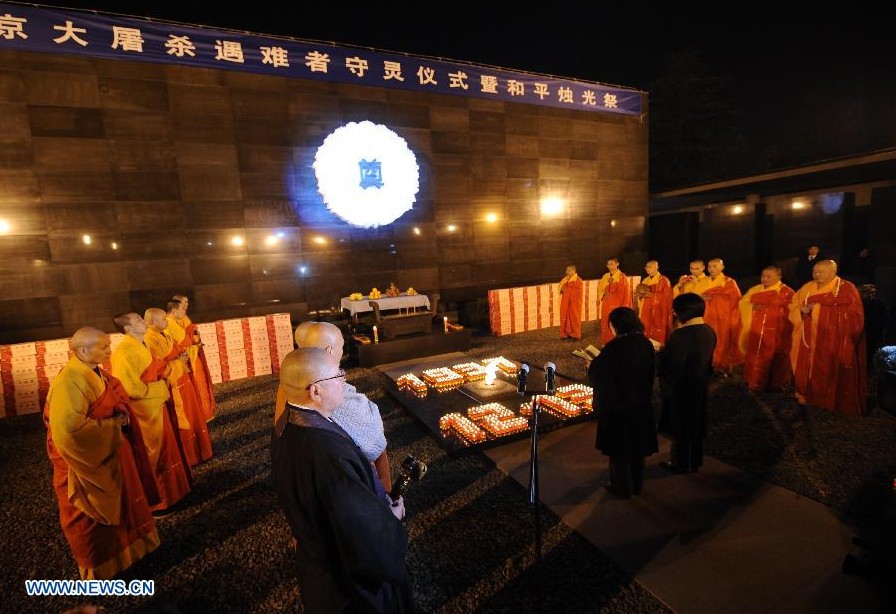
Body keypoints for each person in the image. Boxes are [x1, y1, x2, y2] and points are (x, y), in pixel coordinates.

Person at [271, 347, 413, 613]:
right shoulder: (326, 454)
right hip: (345, 585)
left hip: (315, 560)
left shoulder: (288, 424)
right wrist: (390, 520)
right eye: (337, 376)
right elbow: (360, 534)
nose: (344, 381)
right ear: (315, 391)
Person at [44, 327, 161, 579]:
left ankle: (132, 553)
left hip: (112, 453)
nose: (110, 351)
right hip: (88, 465)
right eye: (104, 347)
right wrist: (113, 426)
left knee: (126, 503)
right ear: (83, 351)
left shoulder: (93, 372)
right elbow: (68, 434)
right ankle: (105, 569)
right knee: (93, 519)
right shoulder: (70, 381)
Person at [275, 321, 392, 492]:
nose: (340, 379)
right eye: (342, 347)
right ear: (329, 350)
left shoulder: (293, 381)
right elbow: (374, 442)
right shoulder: (326, 393)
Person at [111, 312, 193, 513]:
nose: (143, 321)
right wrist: (158, 389)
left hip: (156, 406)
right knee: (151, 455)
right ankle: (158, 502)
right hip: (144, 413)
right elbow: (129, 388)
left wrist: (174, 368)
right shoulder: (123, 353)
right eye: (138, 320)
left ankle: (172, 495)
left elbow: (159, 368)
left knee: (165, 450)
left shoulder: (142, 345)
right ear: (128, 329)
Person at [588, 307, 658, 498]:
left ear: (615, 325)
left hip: (619, 406)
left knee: (619, 451)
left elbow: (600, 376)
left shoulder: (614, 347)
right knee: (637, 449)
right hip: (641, 402)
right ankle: (637, 484)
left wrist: (591, 366)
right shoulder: (645, 342)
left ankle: (621, 487)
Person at [789, 259, 867, 416]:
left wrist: (818, 309)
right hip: (809, 335)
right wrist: (801, 310)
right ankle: (807, 394)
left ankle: (829, 399)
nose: (816, 274)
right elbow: (793, 304)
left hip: (833, 338)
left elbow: (854, 315)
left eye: (821, 271)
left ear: (833, 272)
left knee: (830, 368)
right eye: (814, 271)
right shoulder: (808, 287)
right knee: (807, 365)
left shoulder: (846, 288)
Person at [144, 307, 213, 467]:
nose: (166, 322)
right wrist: (178, 361)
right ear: (152, 322)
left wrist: (183, 356)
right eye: (162, 319)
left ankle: (200, 452)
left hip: (184, 381)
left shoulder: (165, 335)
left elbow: (180, 349)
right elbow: (157, 367)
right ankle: (189, 457)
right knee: (182, 422)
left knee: (192, 416)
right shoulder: (149, 340)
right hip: (173, 386)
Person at [658, 293, 717, 474]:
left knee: (681, 424)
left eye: (675, 312)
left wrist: (660, 353)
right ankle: (695, 460)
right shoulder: (709, 330)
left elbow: (671, 365)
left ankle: (679, 462)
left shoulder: (680, 335)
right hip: (700, 384)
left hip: (682, 387)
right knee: (696, 422)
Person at [677, 258, 742, 374]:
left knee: (721, 342)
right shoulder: (703, 282)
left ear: (722, 267)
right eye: (710, 267)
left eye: (715, 266)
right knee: (705, 341)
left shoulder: (728, 282)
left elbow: (736, 299)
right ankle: (707, 365)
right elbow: (694, 297)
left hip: (722, 317)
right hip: (706, 317)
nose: (712, 269)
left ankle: (722, 367)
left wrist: (716, 297)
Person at [737, 266, 795, 392]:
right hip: (756, 330)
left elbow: (792, 310)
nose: (765, 279)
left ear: (779, 277)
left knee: (774, 358)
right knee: (754, 354)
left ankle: (774, 384)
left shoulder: (787, 292)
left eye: (769, 276)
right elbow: (743, 303)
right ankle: (753, 380)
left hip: (775, 332)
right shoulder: (756, 289)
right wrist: (752, 307)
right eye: (763, 276)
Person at [168, 296, 216, 422]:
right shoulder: (169, 322)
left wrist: (195, 341)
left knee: (200, 385)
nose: (186, 307)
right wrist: (194, 341)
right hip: (183, 361)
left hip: (189, 357)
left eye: (187, 302)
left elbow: (193, 334)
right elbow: (186, 340)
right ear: (174, 309)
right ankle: (198, 415)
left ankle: (203, 413)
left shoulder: (181, 318)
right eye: (183, 304)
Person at [597, 257, 632, 346]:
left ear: (617, 264)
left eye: (612, 264)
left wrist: (623, 308)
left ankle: (616, 344)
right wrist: (604, 294)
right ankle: (606, 342)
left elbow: (625, 293)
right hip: (606, 304)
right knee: (606, 322)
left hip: (617, 305)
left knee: (615, 324)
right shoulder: (605, 276)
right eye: (608, 264)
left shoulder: (622, 277)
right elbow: (600, 288)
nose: (609, 266)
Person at [637, 260, 673, 346]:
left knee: (658, 330)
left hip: (659, 310)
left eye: (650, 267)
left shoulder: (664, 280)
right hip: (646, 309)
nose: (647, 269)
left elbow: (668, 297)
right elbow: (641, 295)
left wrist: (653, 295)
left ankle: (658, 348)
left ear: (657, 267)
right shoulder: (645, 280)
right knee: (646, 327)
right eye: (646, 267)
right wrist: (640, 295)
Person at [558, 264, 584, 340]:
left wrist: (566, 289)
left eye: (569, 270)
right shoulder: (565, 279)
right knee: (565, 317)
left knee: (574, 317)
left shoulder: (578, 280)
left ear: (574, 271)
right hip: (565, 302)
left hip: (574, 302)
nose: (567, 272)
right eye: (566, 270)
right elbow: (560, 287)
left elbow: (577, 292)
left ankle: (576, 335)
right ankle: (566, 334)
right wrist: (564, 289)